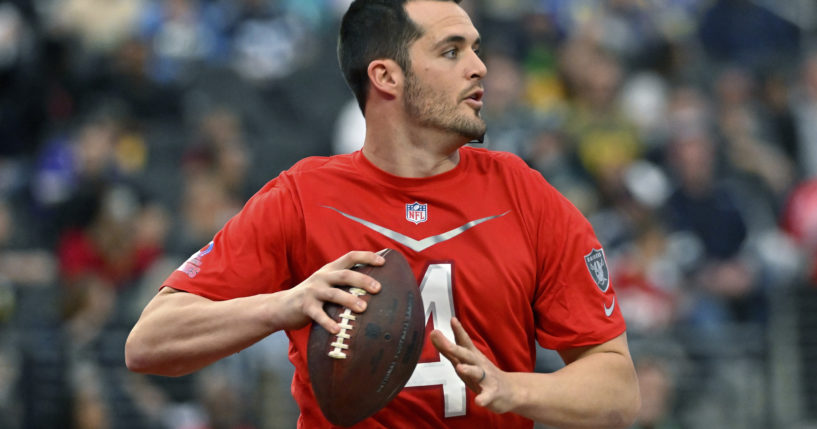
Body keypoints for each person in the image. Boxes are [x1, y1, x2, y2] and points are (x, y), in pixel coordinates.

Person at [125, 1, 640, 427]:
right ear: (386, 75)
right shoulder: (302, 197)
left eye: (475, 49)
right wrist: (285, 305)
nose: (479, 66)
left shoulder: (526, 196)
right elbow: (149, 343)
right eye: (451, 50)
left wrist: (515, 389)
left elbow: (617, 390)